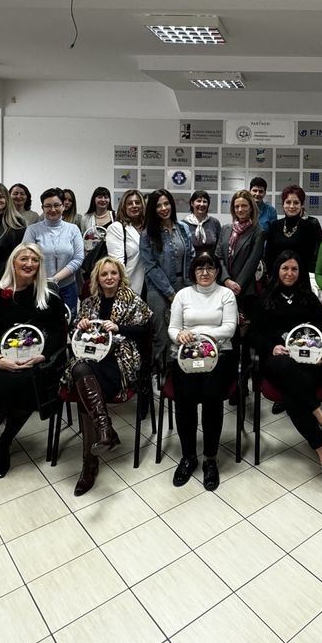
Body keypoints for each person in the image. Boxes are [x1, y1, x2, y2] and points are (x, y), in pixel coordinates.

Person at [252, 251, 322, 498]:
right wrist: (271, 347)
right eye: (285, 268)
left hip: (308, 363)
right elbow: (254, 335)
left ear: (300, 272)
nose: (289, 273)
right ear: (277, 270)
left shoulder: (309, 298)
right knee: (284, 366)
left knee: (293, 397)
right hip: (277, 362)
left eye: (294, 269)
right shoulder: (265, 298)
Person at [0, 243, 68, 488]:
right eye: (23, 259)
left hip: (33, 362)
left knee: (28, 382)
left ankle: (4, 442)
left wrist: (42, 356)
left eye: (34, 260)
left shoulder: (48, 297)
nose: (29, 264)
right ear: (13, 263)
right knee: (4, 385)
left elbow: (59, 334)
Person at [67, 256, 151, 496]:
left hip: (119, 360)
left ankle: (89, 464)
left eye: (113, 273)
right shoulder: (89, 303)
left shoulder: (132, 299)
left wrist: (119, 328)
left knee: (83, 386)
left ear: (120, 275)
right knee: (81, 370)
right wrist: (80, 326)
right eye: (104, 274)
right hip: (90, 357)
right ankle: (105, 432)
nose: (109, 277)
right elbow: (74, 333)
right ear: (97, 278)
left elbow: (145, 330)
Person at [168, 252, 238, 490]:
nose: (205, 272)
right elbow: (173, 328)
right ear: (193, 272)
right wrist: (180, 335)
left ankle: (210, 458)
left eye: (210, 268)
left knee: (211, 398)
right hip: (186, 355)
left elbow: (229, 328)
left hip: (219, 355)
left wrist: (197, 334)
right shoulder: (183, 295)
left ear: (217, 271)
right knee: (184, 400)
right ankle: (188, 456)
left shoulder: (226, 294)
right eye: (200, 268)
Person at [141, 188, 195, 365]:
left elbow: (191, 256)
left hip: (184, 285)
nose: (164, 208)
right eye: (158, 206)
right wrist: (170, 293)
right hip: (158, 289)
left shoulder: (183, 228)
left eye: (166, 203)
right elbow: (151, 266)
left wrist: (191, 286)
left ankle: (179, 372)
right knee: (162, 336)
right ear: (153, 209)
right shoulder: (147, 234)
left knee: (184, 332)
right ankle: (159, 374)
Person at [23, 187, 85, 315]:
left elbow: (78, 258)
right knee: (41, 323)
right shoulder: (32, 230)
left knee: (68, 322)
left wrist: (55, 279)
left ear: (63, 206)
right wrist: (45, 281)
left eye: (56, 205)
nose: (52, 209)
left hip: (68, 288)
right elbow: (26, 257)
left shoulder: (73, 229)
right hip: (40, 287)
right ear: (43, 208)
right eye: (48, 206)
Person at [215, 190, 264, 310]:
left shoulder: (258, 232)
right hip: (222, 287)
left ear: (251, 208)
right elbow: (218, 257)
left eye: (244, 206)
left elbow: (252, 263)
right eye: (237, 206)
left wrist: (236, 286)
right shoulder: (225, 229)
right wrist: (226, 280)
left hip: (245, 291)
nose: (240, 209)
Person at [263, 185, 322, 278]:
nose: (291, 206)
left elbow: (311, 258)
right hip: (276, 278)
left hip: (301, 278)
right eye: (288, 202)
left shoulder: (310, 227)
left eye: (296, 202)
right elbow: (269, 256)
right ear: (283, 204)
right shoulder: (275, 226)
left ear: (301, 205)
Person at [106, 190, 147, 295]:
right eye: (129, 203)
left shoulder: (148, 228)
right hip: (128, 286)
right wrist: (125, 290)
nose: (134, 206)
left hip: (150, 286)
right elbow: (117, 263)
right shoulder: (116, 228)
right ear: (123, 207)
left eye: (137, 202)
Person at [79, 187, 115, 257]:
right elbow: (84, 239)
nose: (103, 200)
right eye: (100, 197)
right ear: (94, 199)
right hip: (92, 258)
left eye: (106, 197)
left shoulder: (116, 216)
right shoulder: (86, 218)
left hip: (112, 257)